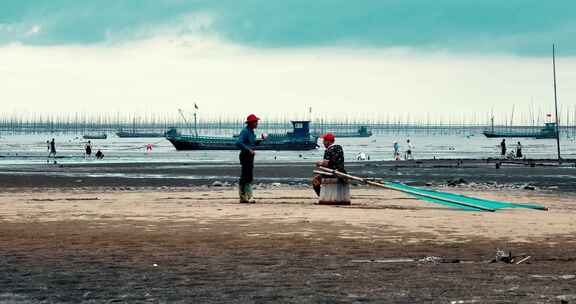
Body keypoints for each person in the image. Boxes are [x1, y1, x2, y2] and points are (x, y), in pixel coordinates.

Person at [235, 114, 266, 203]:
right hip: (245, 155)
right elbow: (238, 142)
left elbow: (252, 143)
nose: (257, 123)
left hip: (249, 156)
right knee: (247, 177)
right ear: (251, 123)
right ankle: (248, 196)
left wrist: (261, 140)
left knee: (246, 176)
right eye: (256, 122)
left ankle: (243, 197)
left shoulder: (251, 132)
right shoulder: (245, 131)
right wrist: (249, 150)